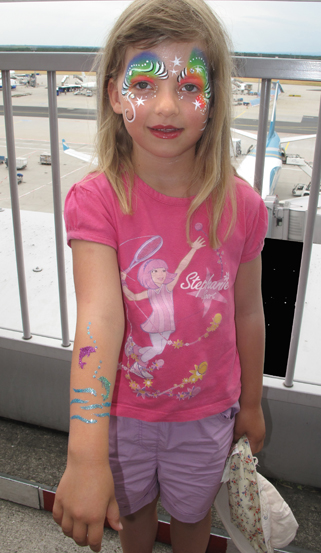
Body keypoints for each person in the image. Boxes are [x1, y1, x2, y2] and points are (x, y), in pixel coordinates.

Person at [52, 0, 268, 552]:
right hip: (123, 414)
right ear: (113, 93)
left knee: (195, 520)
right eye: (145, 84)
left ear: (215, 98)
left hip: (205, 414)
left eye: (190, 85)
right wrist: (85, 454)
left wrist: (250, 402)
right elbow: (98, 318)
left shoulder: (241, 205)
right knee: (136, 519)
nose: (167, 105)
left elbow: (248, 310)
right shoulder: (96, 200)